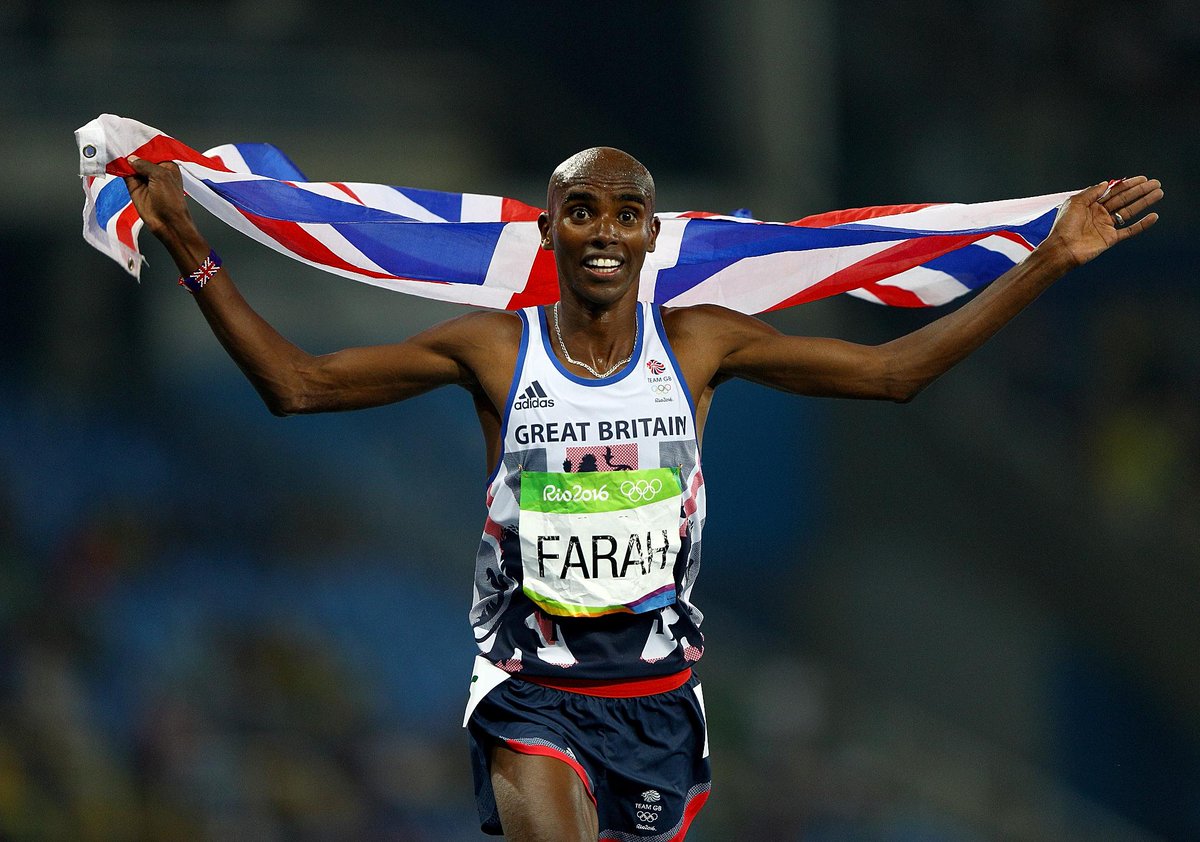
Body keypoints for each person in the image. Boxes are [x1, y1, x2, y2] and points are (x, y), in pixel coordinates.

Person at [122, 147, 1161, 841]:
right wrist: (191, 247)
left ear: (653, 236)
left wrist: (1050, 261)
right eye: (582, 211)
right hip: (531, 690)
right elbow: (298, 386)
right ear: (550, 232)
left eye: (628, 213)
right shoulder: (493, 349)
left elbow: (894, 374)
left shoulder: (700, 345)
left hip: (658, 704)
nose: (606, 230)